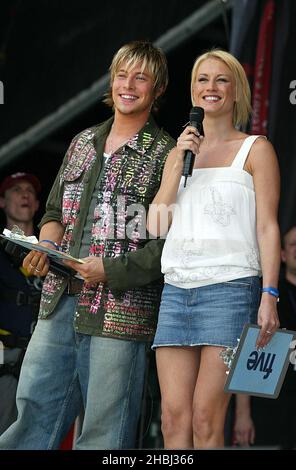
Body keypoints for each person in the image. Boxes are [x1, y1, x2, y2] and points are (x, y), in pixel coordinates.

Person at [0, 40, 175, 450]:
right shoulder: (82, 141)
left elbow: (168, 245)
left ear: (158, 88)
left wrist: (110, 271)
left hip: (121, 309)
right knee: (30, 415)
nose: (127, 85)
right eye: (121, 74)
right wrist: (45, 247)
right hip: (58, 299)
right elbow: (54, 212)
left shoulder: (166, 152)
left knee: (103, 432)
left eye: (140, 77)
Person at [146, 49, 281, 449]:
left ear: (236, 90)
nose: (211, 87)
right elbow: (155, 225)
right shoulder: (178, 151)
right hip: (176, 292)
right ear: (192, 91)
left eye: (221, 79)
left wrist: (270, 294)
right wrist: (176, 164)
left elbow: (268, 227)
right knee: (173, 419)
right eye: (202, 80)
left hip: (230, 289)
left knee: (207, 418)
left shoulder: (256, 149)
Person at [233, 225, 296, 449]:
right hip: (269, 403)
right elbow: (247, 356)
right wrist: (242, 414)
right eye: (293, 244)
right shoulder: (266, 298)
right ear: (282, 254)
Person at [0, 172, 42, 435]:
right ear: (2, 202)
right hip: (4, 354)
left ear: (38, 205)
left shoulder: (54, 251)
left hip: (42, 356)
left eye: (30, 190)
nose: (24, 194)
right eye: (16, 190)